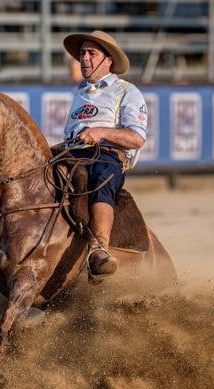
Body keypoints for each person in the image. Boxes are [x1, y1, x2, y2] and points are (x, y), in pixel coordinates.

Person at [62, 30, 148, 282]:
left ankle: (99, 248)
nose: (84, 58)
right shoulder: (81, 91)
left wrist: (100, 132)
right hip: (72, 153)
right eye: (82, 54)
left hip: (107, 157)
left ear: (108, 59)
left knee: (100, 180)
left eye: (91, 53)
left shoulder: (127, 91)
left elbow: (137, 138)